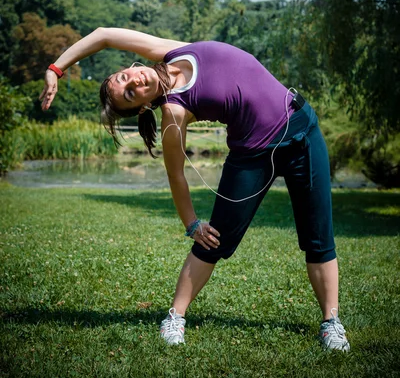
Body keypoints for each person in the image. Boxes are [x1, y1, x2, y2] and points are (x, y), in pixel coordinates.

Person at [40, 27, 350, 352]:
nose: (133, 83)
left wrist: (55, 69)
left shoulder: (172, 50)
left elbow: (103, 35)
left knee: (318, 235)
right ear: (143, 106)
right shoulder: (173, 112)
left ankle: (331, 322)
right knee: (213, 240)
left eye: (123, 78)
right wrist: (191, 223)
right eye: (130, 94)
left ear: (130, 67)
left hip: (303, 129)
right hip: (252, 156)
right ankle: (175, 317)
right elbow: (176, 174)